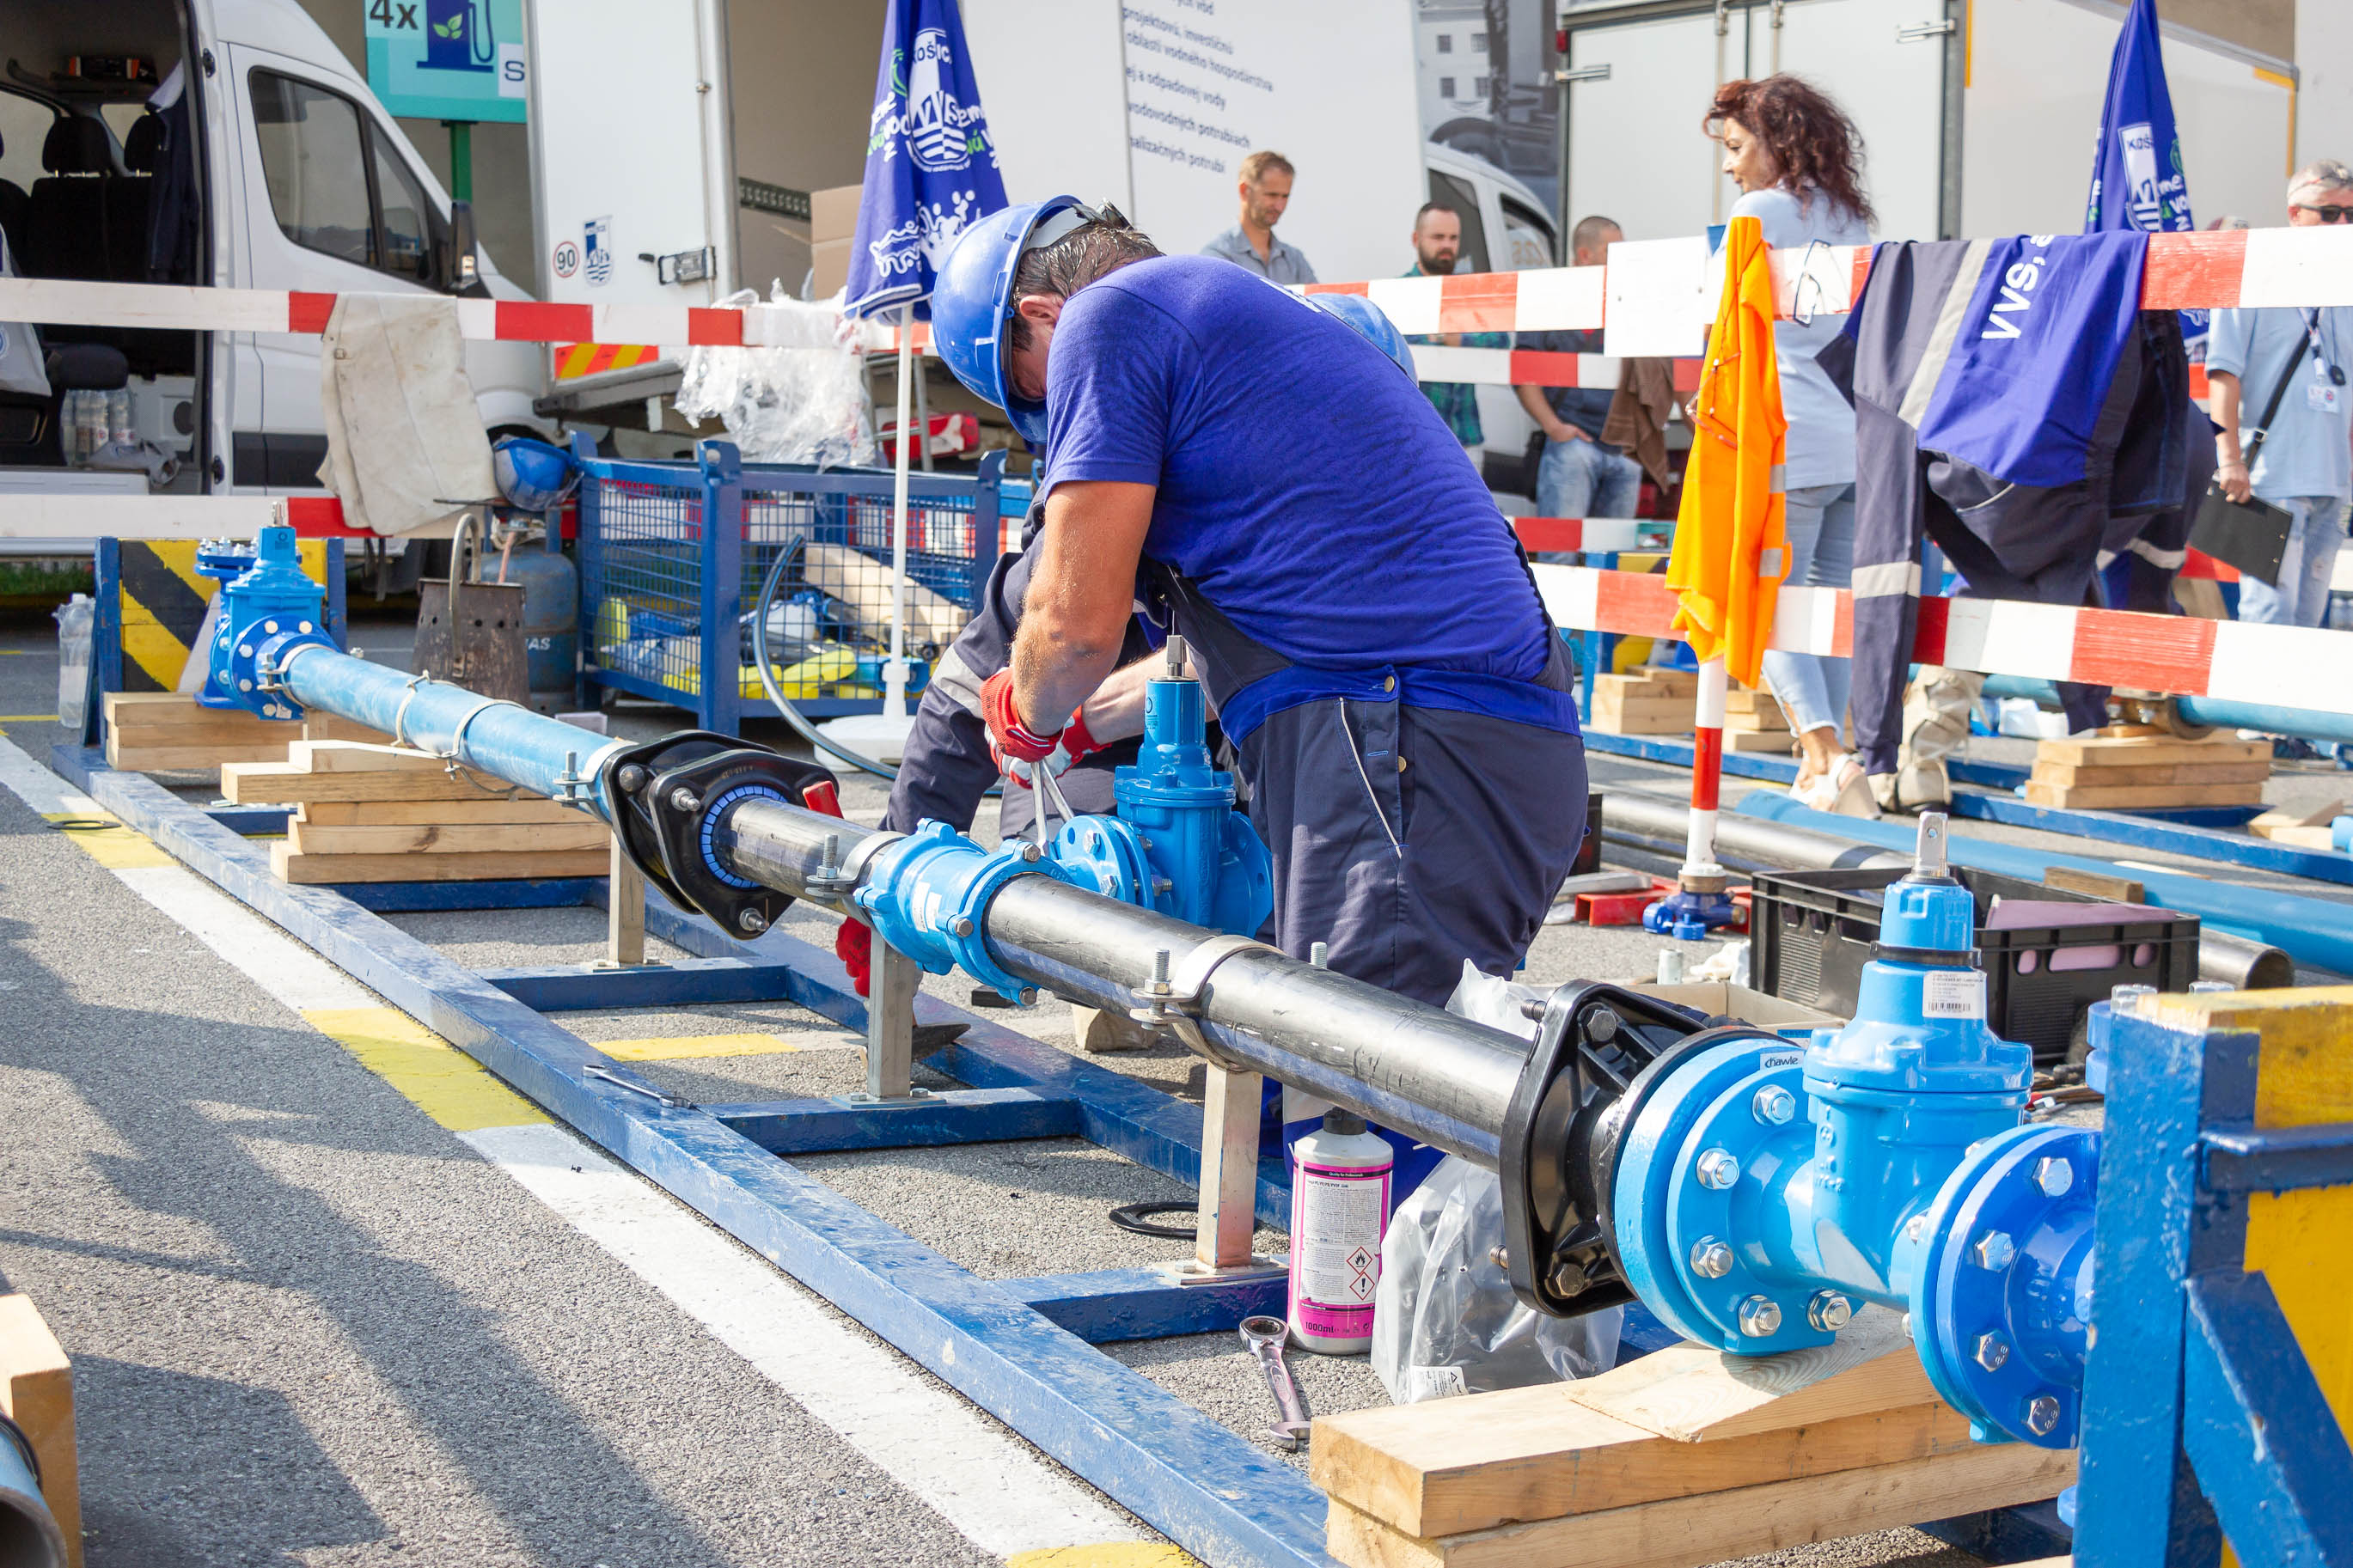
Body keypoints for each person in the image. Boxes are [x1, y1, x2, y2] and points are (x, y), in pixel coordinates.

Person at [913, 196, 1586, 1022]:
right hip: (1467, 749)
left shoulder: (1106, 317)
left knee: (1356, 1081)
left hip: (1405, 750)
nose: (1064, 427)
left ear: (1042, 315)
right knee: (1356, 1064)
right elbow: (1275, 629)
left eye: (1041, 396)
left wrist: (1025, 716)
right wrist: (1084, 720)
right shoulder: (1246, 330)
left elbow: (1072, 630)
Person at [1706, 75, 1878, 817]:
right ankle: (1832, 763)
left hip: (1790, 434)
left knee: (1766, 597)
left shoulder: (1758, 213)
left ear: (1776, 144)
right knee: (1832, 602)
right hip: (1856, 435)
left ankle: (1825, 754)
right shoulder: (1853, 217)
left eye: (1736, 147)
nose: (1729, 165)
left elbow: (1722, 316)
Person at [2206, 159, 2353, 631]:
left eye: (2350, 214)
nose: (2342, 224)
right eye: (2329, 213)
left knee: (2310, 622)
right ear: (2294, 214)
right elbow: (2222, 375)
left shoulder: (2346, 288)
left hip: (2334, 482)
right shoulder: (2251, 277)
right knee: (2268, 617)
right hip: (2267, 478)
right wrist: (2230, 461)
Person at [1515, 215, 1642, 521]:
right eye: (1613, 252)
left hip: (1623, 452)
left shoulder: (1628, 306)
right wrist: (1555, 428)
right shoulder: (1550, 302)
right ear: (1585, 256)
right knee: (1561, 546)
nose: (1622, 260)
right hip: (1572, 448)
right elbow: (1523, 372)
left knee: (1613, 549)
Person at [1402, 202, 1509, 450]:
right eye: (1438, 237)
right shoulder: (1398, 292)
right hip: (1417, 437)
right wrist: (1439, 338)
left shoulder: (1469, 291)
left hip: (1465, 436)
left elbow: (1501, 339)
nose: (1447, 245)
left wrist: (1458, 339)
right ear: (1416, 239)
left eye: (1453, 238)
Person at [1198, 150, 1317, 284]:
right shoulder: (1217, 257)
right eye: (1271, 195)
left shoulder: (1295, 261)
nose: (1279, 206)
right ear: (1244, 191)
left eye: (1285, 196)